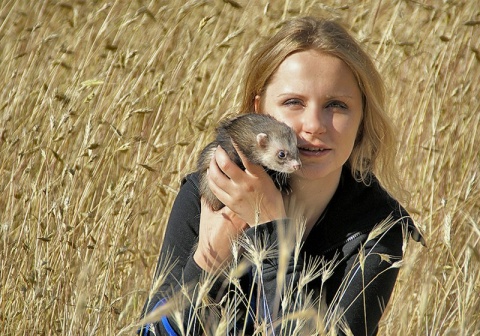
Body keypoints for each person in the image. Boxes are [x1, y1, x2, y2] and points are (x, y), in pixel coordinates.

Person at [139, 16, 424, 336]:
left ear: (362, 116)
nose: (314, 125)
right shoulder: (211, 189)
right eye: (293, 102)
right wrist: (208, 260)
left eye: (337, 105)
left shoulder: (376, 227)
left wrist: (272, 230)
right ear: (259, 110)